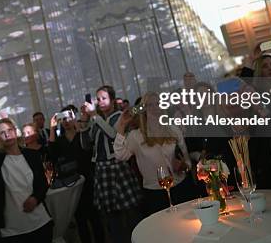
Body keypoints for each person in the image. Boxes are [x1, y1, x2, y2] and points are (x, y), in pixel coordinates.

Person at [114, 92, 197, 217]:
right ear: (144, 109)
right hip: (156, 194)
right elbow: (120, 155)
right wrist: (121, 126)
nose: (154, 108)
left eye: (157, 104)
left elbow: (187, 161)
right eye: (149, 105)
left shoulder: (173, 129)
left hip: (181, 187)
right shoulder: (136, 136)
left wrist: (184, 166)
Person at [0, 115, 53, 242]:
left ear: (15, 132)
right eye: (2, 132)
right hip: (12, 231)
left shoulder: (32, 155)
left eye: (9, 130)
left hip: (40, 222)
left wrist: (35, 198)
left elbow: (42, 183)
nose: (7, 135)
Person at [80, 85, 141, 243]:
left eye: (104, 98)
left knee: (129, 212)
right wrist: (84, 123)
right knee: (110, 215)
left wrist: (94, 116)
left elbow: (113, 134)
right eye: (98, 99)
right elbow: (86, 145)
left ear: (112, 100)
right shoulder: (96, 120)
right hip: (101, 169)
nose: (100, 102)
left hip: (117, 166)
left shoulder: (120, 116)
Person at [48, 107, 105, 243]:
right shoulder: (60, 139)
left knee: (94, 217)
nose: (65, 122)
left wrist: (81, 127)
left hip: (87, 179)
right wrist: (52, 128)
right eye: (62, 119)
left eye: (68, 118)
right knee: (80, 219)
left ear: (74, 117)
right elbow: (52, 155)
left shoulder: (83, 135)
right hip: (71, 184)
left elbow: (89, 152)